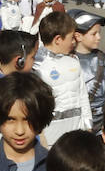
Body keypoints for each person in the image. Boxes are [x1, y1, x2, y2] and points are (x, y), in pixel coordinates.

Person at [35, 12, 92, 144]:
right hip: (50, 136)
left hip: (76, 133)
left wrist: (88, 126)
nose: (74, 41)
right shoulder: (37, 65)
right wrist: (40, 136)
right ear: (58, 40)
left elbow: (82, 95)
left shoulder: (74, 60)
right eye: (71, 38)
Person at [75, 13, 105, 129]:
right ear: (78, 36)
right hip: (78, 124)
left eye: (99, 33)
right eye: (93, 34)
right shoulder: (69, 61)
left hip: (101, 124)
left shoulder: (102, 58)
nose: (99, 37)